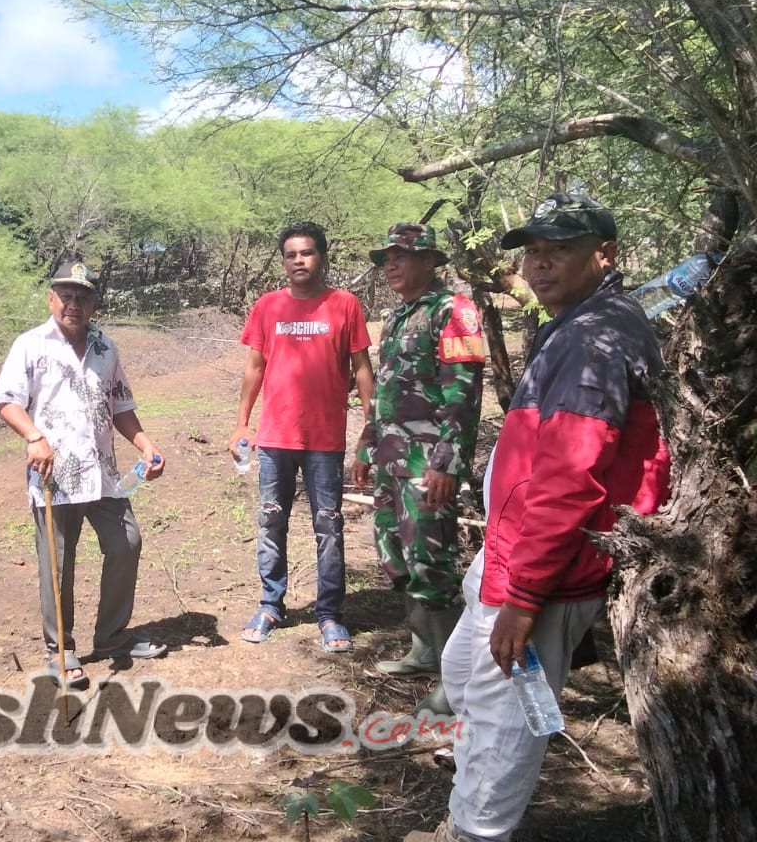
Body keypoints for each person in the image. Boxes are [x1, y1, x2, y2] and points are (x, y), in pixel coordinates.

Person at [406, 190, 671, 842]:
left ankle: (474, 831)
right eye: (534, 252)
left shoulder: (594, 338)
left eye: (560, 250)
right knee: (467, 677)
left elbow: (572, 474)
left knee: (505, 718)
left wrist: (526, 596)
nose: (541, 264)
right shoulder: (578, 325)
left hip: (546, 568)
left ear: (604, 255)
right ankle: (470, 799)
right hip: (514, 548)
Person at [0, 261, 168, 691]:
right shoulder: (30, 345)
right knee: (58, 564)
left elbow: (120, 406)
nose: (74, 304)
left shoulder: (106, 348)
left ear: (94, 303)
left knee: (126, 543)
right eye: (66, 295)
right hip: (54, 475)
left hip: (102, 472)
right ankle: (61, 650)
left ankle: (111, 636)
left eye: (83, 297)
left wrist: (145, 444)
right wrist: (34, 436)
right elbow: (7, 401)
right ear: (51, 298)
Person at [351, 223, 485, 717]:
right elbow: (386, 391)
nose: (391, 264)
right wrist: (367, 445)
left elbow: (463, 393)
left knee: (432, 561)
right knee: (396, 553)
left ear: (430, 261)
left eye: (402, 256)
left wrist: (448, 463)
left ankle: (455, 679)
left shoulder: (454, 311)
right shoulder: (398, 315)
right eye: (387, 257)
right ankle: (424, 651)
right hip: (392, 459)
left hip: (428, 463)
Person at [230, 222, 374, 652]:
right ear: (283, 261)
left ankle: (329, 614)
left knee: (328, 526)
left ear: (322, 258)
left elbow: (362, 369)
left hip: (324, 439)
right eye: (291, 254)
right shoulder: (268, 306)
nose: (299, 261)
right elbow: (255, 367)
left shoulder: (345, 305)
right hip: (275, 437)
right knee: (271, 521)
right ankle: (270, 604)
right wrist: (241, 424)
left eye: (307, 253)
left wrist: (371, 428)